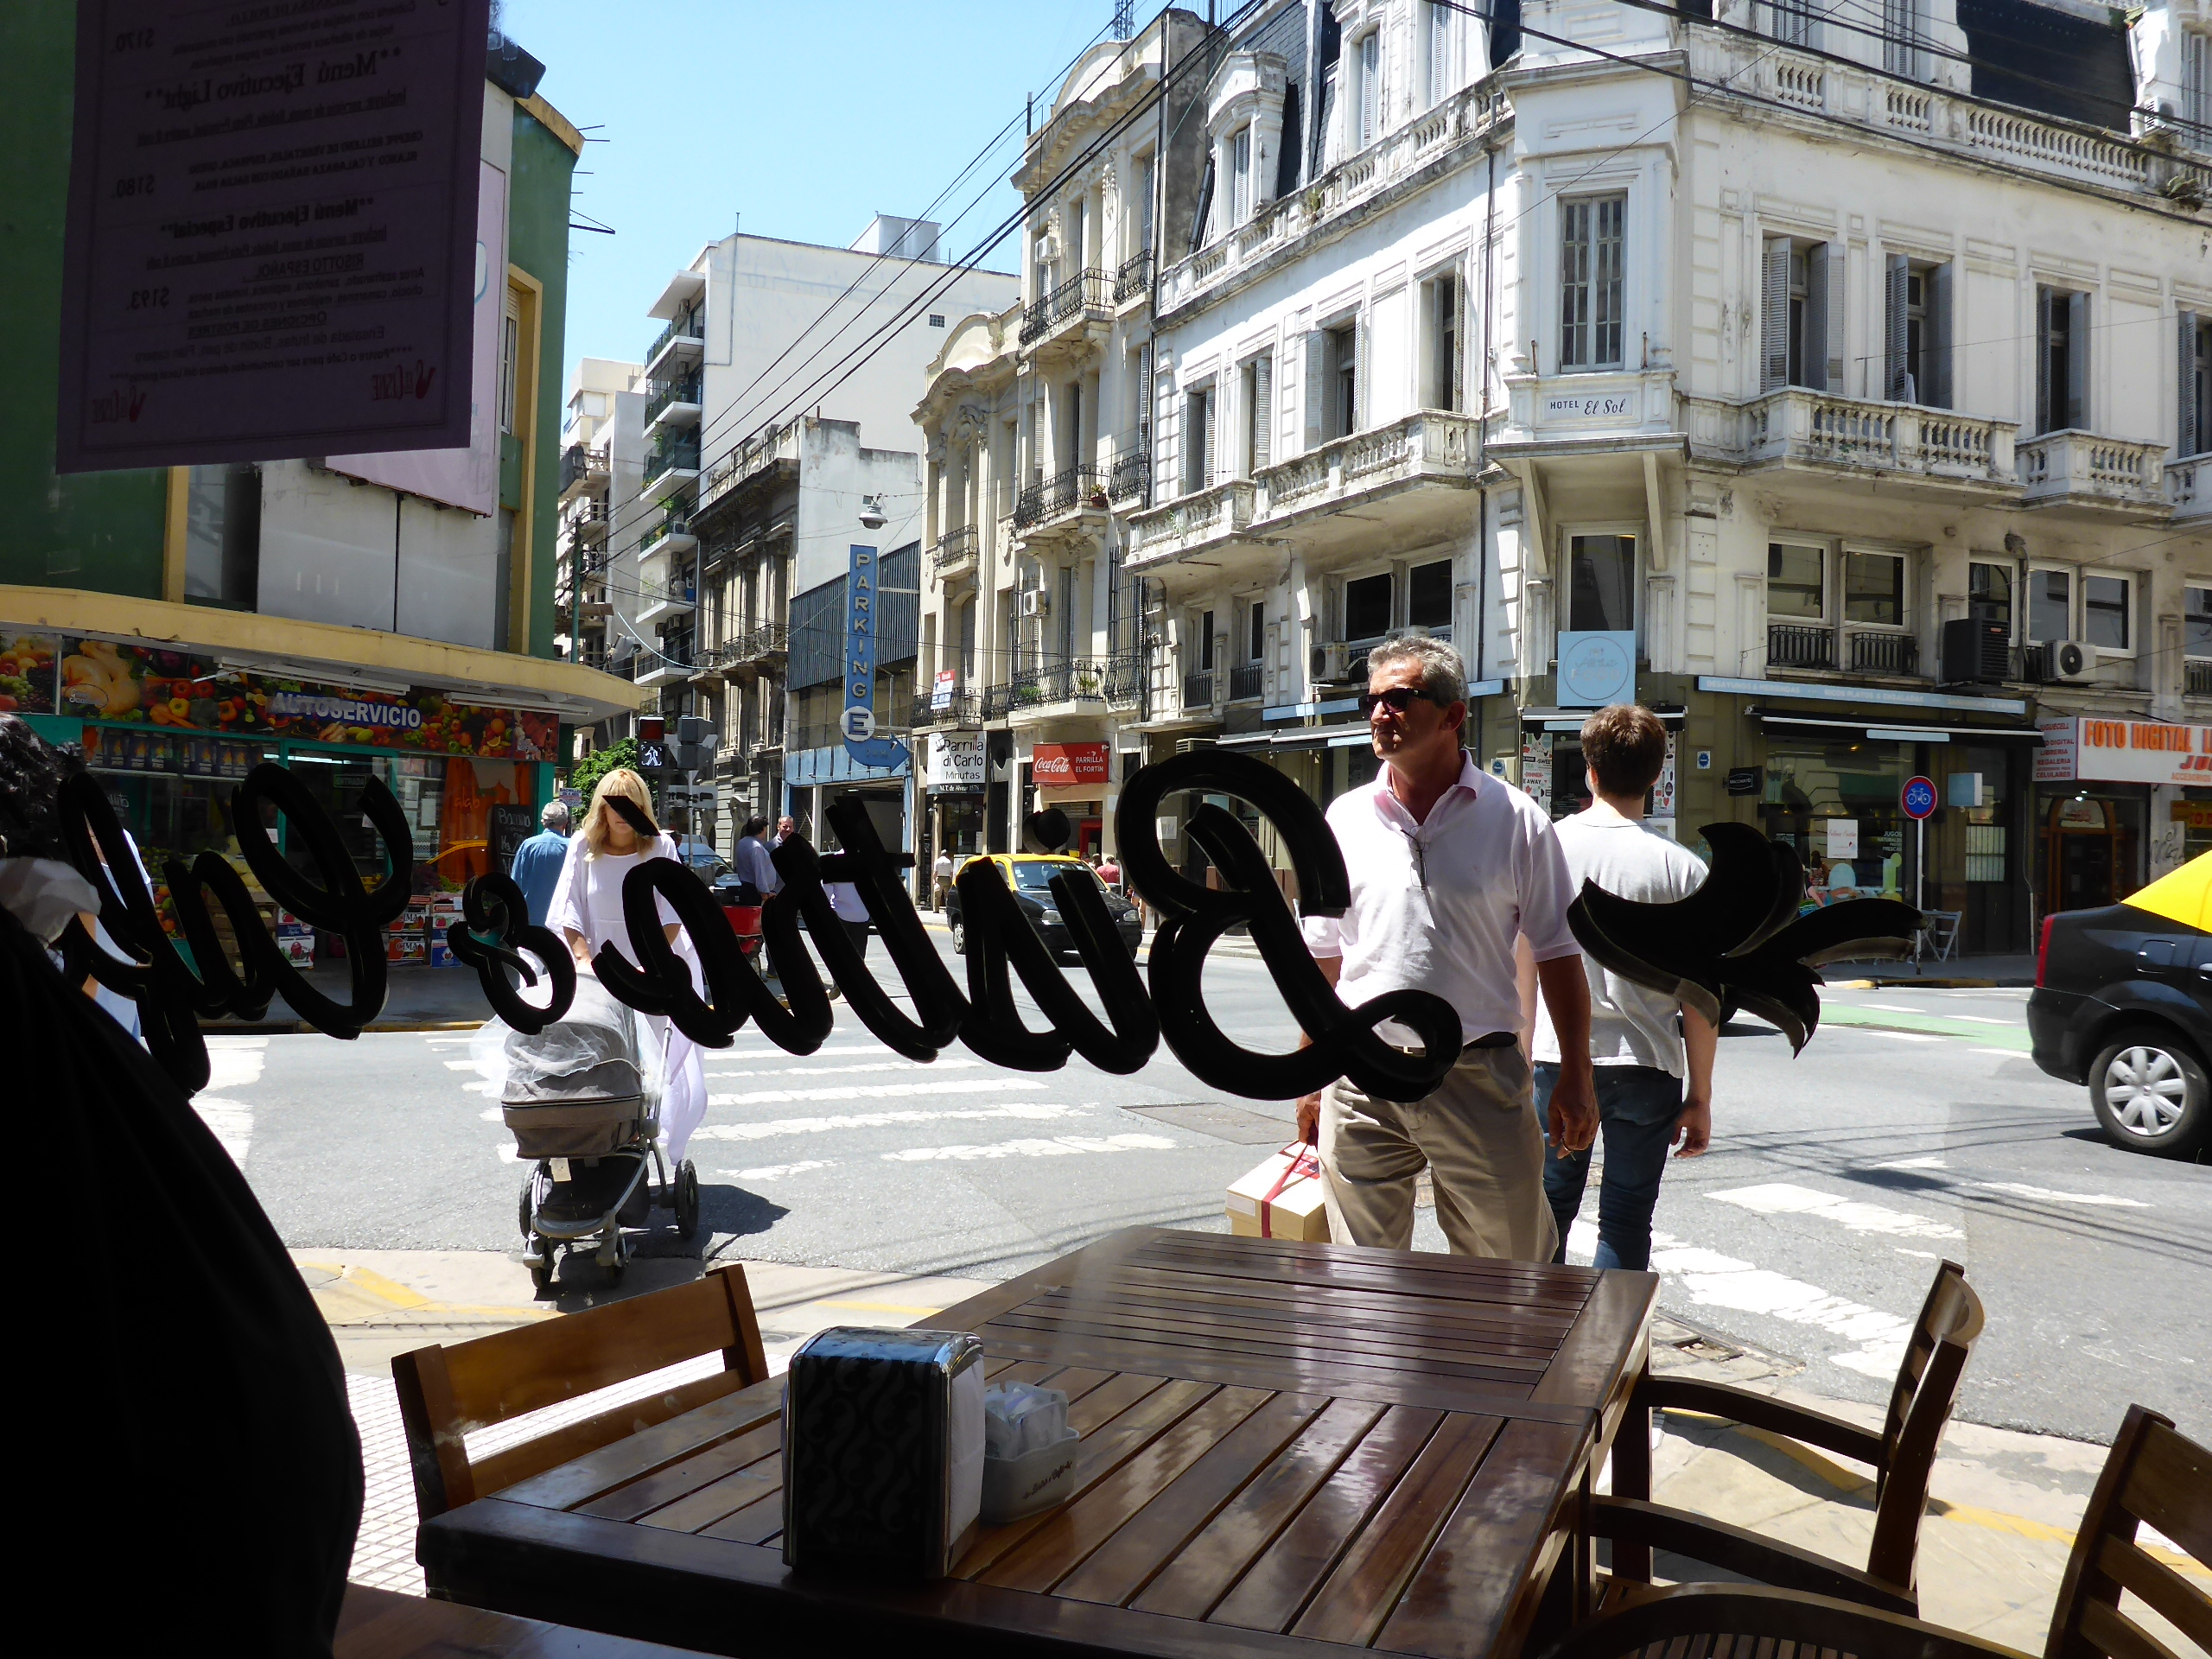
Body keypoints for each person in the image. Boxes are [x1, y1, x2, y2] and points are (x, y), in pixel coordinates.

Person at [1295, 637, 1599, 1261]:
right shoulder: (1343, 820)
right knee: (1363, 1278)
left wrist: (1576, 1074)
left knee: (1510, 1269)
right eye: (1372, 701)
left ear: (1452, 715)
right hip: (1362, 1077)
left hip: (1478, 1076)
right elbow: (1323, 959)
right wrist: (1309, 1072)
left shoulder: (1515, 819)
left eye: (1399, 699)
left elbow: (1558, 953)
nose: (1379, 713)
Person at [1522, 704, 1717, 1273]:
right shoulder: (1682, 871)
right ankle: (1612, 1327)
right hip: (1648, 1064)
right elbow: (1701, 999)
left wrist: (1518, 1059)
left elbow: (1522, 969)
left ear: (1590, 771)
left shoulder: (1546, 850)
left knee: (1547, 1211)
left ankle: (1539, 1323)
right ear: (1656, 776)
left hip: (1556, 1060)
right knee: (1627, 1219)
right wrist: (1701, 1095)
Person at [545, 769, 709, 1166]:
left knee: (645, 1064)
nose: (622, 813)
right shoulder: (583, 846)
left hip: (650, 974)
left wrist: (648, 966)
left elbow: (672, 913)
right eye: (614, 804)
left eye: (631, 804)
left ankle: (636, 1133)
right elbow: (569, 909)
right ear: (601, 809)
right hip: (596, 976)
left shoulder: (661, 847)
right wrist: (584, 962)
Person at [508, 800, 572, 927]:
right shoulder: (572, 848)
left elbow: (515, 885)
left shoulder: (528, 845)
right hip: (562, 923)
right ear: (565, 824)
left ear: (543, 822)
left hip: (531, 920)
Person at [732, 816, 779, 905]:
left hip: (746, 888)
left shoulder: (742, 842)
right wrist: (765, 894)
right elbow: (759, 871)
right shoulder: (756, 847)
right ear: (762, 828)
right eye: (765, 828)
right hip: (756, 893)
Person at [931, 846, 955, 912]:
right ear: (946, 855)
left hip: (939, 879)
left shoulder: (937, 861)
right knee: (947, 895)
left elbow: (935, 872)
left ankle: (936, 910)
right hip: (947, 879)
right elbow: (951, 872)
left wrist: (934, 880)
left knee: (937, 895)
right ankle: (948, 909)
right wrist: (951, 880)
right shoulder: (949, 862)